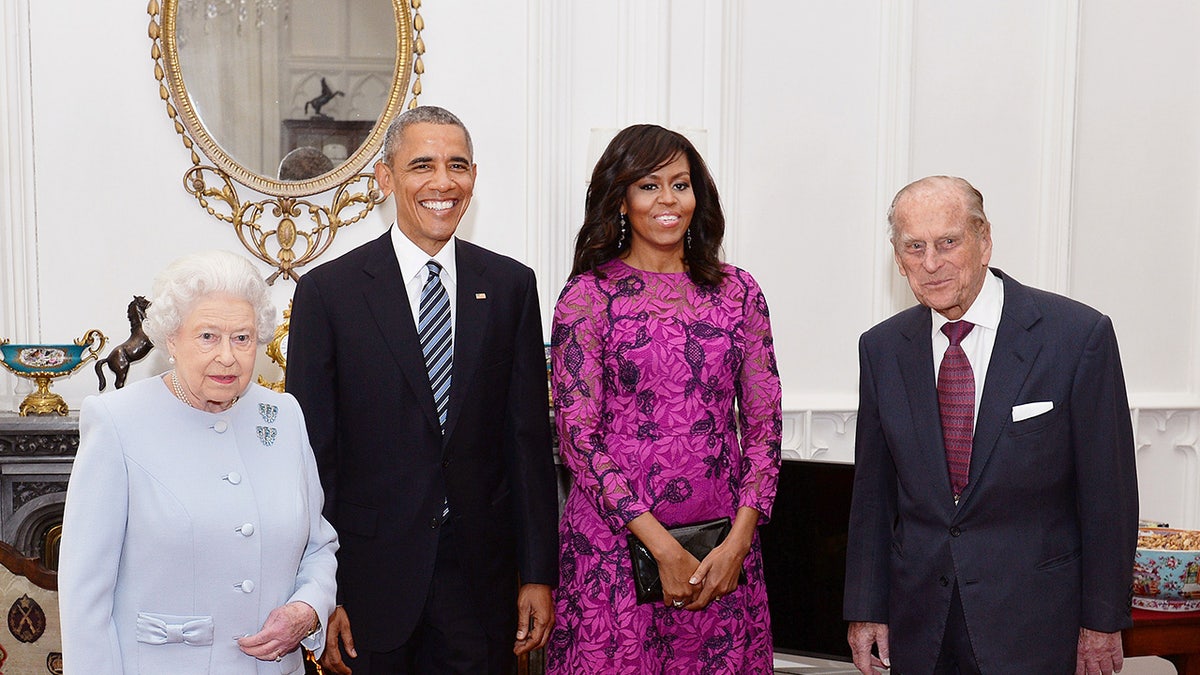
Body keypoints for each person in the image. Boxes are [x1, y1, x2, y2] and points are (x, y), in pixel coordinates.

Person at [286, 105, 559, 675]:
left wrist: (537, 573)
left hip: (482, 585)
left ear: (474, 179)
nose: (443, 182)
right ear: (385, 179)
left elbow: (527, 441)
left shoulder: (511, 286)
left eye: (457, 166)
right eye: (422, 165)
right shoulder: (327, 294)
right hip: (368, 585)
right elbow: (312, 459)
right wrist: (322, 590)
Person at [843, 176, 1139, 674]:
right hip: (920, 625)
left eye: (947, 242)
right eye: (914, 247)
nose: (931, 263)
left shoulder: (1077, 337)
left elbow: (1108, 494)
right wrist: (865, 608)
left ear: (984, 241)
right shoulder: (882, 349)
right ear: (898, 260)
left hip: (1038, 625)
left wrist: (1103, 620)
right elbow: (874, 494)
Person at [546, 124, 783, 673]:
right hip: (614, 552)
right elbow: (578, 439)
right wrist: (661, 547)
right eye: (649, 185)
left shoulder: (738, 291)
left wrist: (739, 542)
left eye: (681, 184)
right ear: (622, 200)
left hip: (722, 555)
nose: (668, 200)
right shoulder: (588, 297)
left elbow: (765, 425)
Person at [58, 250, 339, 674]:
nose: (227, 356)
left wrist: (308, 607)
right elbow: (84, 596)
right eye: (208, 336)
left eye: (242, 338)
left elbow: (318, 545)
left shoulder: (283, 415)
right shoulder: (117, 421)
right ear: (171, 338)